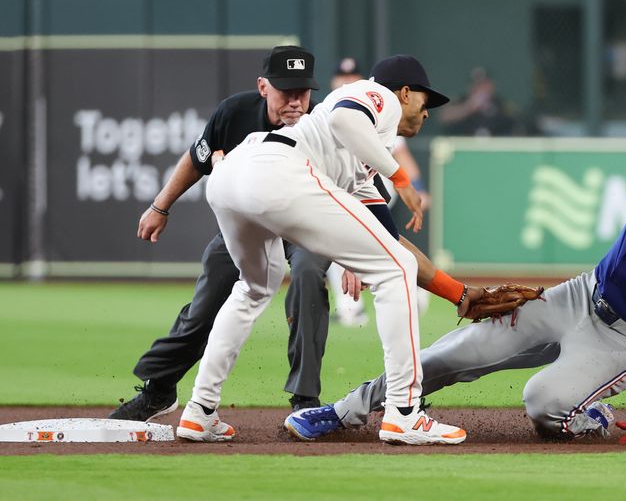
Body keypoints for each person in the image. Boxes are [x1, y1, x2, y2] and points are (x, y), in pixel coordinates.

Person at [284, 52, 626, 445]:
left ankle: (591, 416)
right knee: (455, 353)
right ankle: (346, 410)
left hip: (624, 340)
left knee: (543, 404)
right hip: (580, 294)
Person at [175, 54, 469, 446]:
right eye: (424, 101)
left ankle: (199, 411)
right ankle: (404, 413)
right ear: (403, 92)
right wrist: (401, 177)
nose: (426, 112)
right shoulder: (377, 95)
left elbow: (389, 240)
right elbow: (343, 119)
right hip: (279, 167)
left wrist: (459, 294)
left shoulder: (359, 165)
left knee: (254, 288)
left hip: (233, 175)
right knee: (394, 270)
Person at [109, 46, 338, 421]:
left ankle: (304, 401)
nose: (296, 101)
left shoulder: (325, 123)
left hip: (303, 226)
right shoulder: (235, 113)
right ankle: (159, 391)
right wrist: (160, 206)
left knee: (310, 276)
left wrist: (354, 258)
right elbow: (198, 159)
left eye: (304, 92)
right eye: (286, 91)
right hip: (247, 226)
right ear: (263, 87)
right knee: (204, 306)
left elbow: (356, 188)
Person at [326, 57, 432, 326]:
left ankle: (355, 308)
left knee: (350, 240)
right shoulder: (347, 103)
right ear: (334, 80)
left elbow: (401, 155)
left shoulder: (378, 106)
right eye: (341, 75)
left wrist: (413, 186)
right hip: (356, 182)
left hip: (376, 181)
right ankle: (412, 294)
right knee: (380, 242)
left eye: (351, 75)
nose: (346, 80)